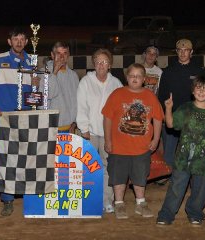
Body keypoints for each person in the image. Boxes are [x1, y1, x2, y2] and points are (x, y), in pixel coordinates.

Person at [156, 76, 205, 226]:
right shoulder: (185, 108)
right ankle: (166, 214)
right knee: (176, 188)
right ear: (193, 91)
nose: (202, 91)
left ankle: (195, 213)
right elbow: (170, 124)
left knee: (201, 191)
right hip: (183, 159)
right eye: (198, 88)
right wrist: (168, 108)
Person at [0, 27, 34, 216]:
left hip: (27, 118)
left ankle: (30, 197)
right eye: (15, 38)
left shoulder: (31, 61)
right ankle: (7, 200)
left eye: (22, 38)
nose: (19, 42)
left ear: (26, 42)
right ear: (9, 41)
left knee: (28, 159)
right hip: (5, 118)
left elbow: (35, 92)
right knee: (7, 160)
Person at [102, 63, 164, 219]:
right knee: (118, 176)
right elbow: (107, 118)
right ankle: (119, 204)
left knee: (140, 177)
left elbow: (157, 119)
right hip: (118, 148)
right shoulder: (117, 94)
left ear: (144, 79)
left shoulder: (150, 96)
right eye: (131, 76)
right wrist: (108, 140)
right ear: (126, 77)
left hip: (141, 148)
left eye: (138, 76)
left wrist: (156, 139)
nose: (135, 78)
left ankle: (140, 203)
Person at [76, 48, 122, 214]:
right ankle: (86, 200)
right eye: (98, 62)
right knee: (86, 167)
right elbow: (81, 107)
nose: (101, 65)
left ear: (109, 65)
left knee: (107, 168)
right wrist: (84, 129)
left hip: (109, 135)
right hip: (90, 133)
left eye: (104, 62)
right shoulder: (85, 82)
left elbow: (120, 110)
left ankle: (106, 200)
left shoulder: (116, 84)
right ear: (93, 64)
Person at [158, 39, 203, 169]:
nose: (183, 53)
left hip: (193, 118)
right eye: (180, 50)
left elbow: (204, 94)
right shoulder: (168, 71)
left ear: (191, 52)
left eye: (186, 50)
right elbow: (162, 95)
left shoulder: (198, 71)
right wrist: (165, 115)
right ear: (176, 52)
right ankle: (170, 178)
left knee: (192, 151)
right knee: (169, 153)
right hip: (172, 116)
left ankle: (190, 178)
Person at [42, 41, 79, 132]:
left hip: (69, 128)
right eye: (58, 53)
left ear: (68, 55)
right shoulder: (43, 73)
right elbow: (48, 96)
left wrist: (74, 123)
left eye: (65, 53)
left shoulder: (74, 76)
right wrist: (54, 72)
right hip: (50, 129)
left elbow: (77, 102)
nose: (62, 57)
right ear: (52, 55)